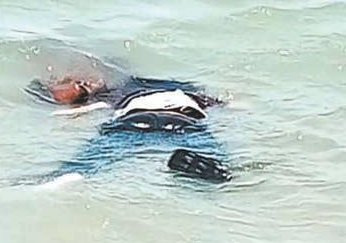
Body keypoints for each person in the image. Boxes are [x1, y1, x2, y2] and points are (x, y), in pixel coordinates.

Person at [23, 70, 232, 184]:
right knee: (213, 154)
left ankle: (71, 174)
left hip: (133, 121)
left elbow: (73, 108)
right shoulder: (194, 95)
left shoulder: (112, 94)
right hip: (183, 120)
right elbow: (230, 106)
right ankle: (216, 171)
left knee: (96, 154)